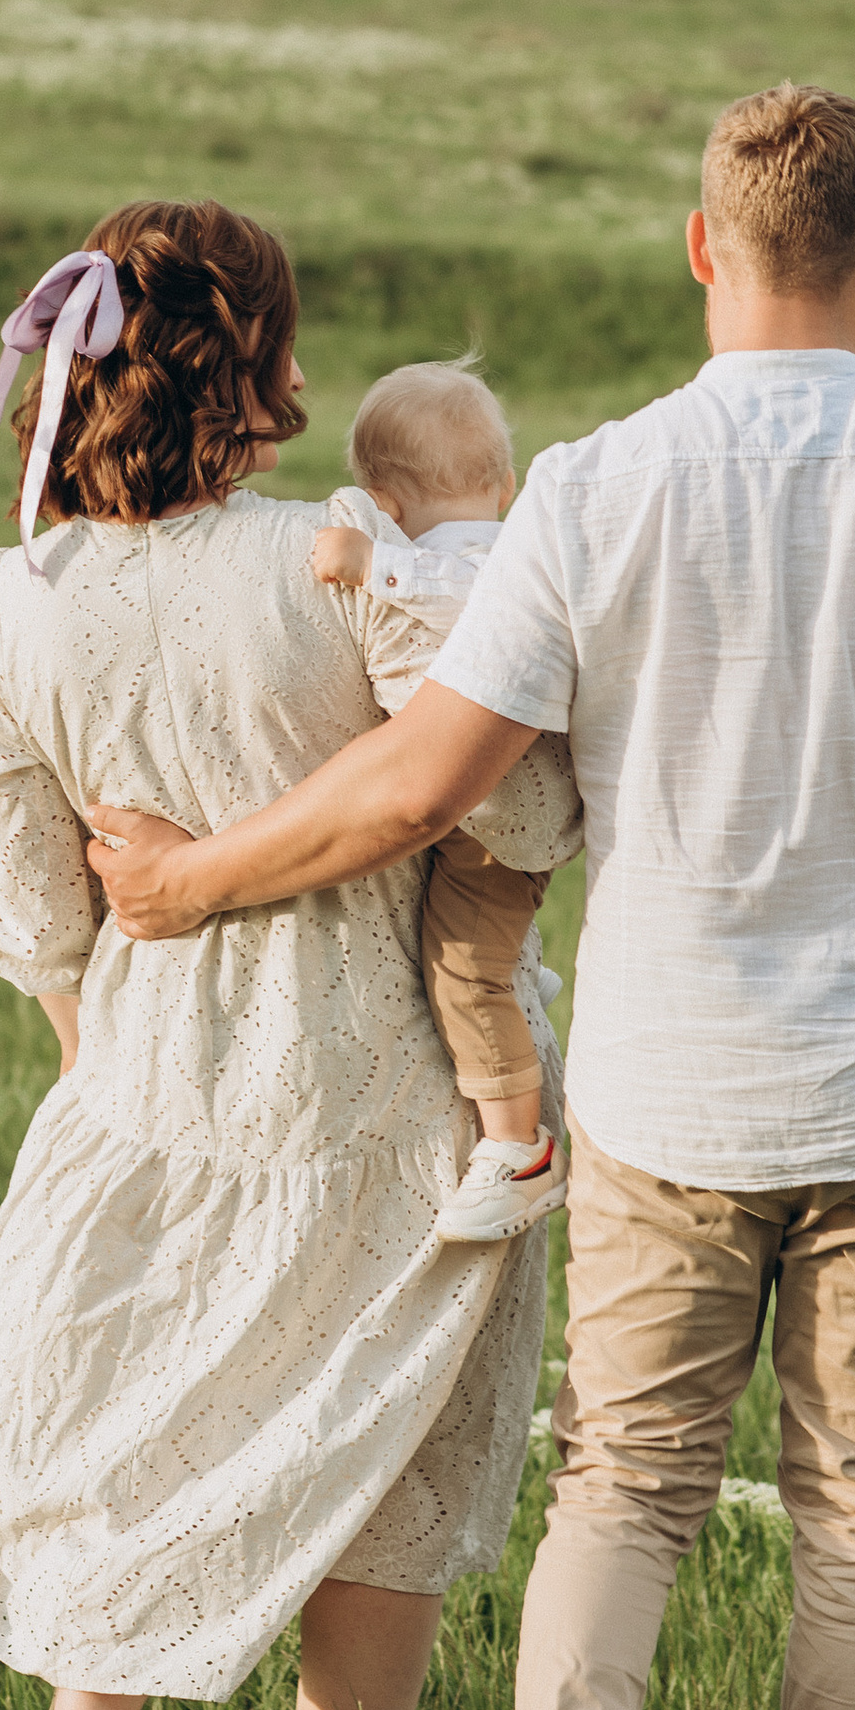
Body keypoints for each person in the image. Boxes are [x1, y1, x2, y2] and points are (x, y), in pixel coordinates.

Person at [86, 86, 855, 1710]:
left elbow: (425, 783)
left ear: (698, 253)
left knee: (626, 1486)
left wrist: (193, 885)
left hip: (675, 1095)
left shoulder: (597, 487)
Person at [0, 198, 580, 1710]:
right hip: (393, 1087)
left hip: (150, 1077)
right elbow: (516, 795)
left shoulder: (4, 607)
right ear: (249, 371)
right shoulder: (339, 555)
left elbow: (37, 909)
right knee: (383, 1463)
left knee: (141, 1413)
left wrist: (100, 1067)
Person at [310, 360, 563, 1245]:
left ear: (384, 497)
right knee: (466, 927)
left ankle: (518, 1150)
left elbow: (478, 610)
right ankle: (519, 969)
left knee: (463, 969)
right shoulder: (514, 533)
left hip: (499, 815)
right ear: (504, 481)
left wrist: (378, 566)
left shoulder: (469, 563)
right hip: (495, 814)